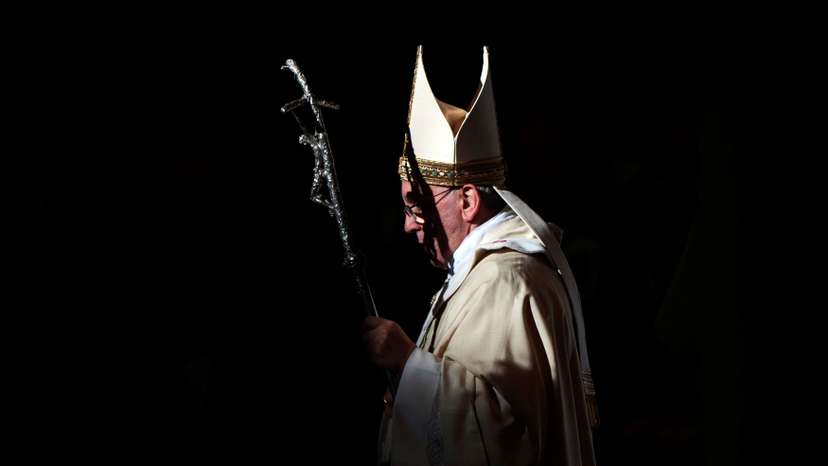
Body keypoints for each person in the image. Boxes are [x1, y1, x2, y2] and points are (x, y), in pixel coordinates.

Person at [362, 45, 598, 466]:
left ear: (468, 200)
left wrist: (407, 364)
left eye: (417, 204)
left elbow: (502, 436)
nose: (408, 224)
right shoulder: (478, 273)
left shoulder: (508, 282)